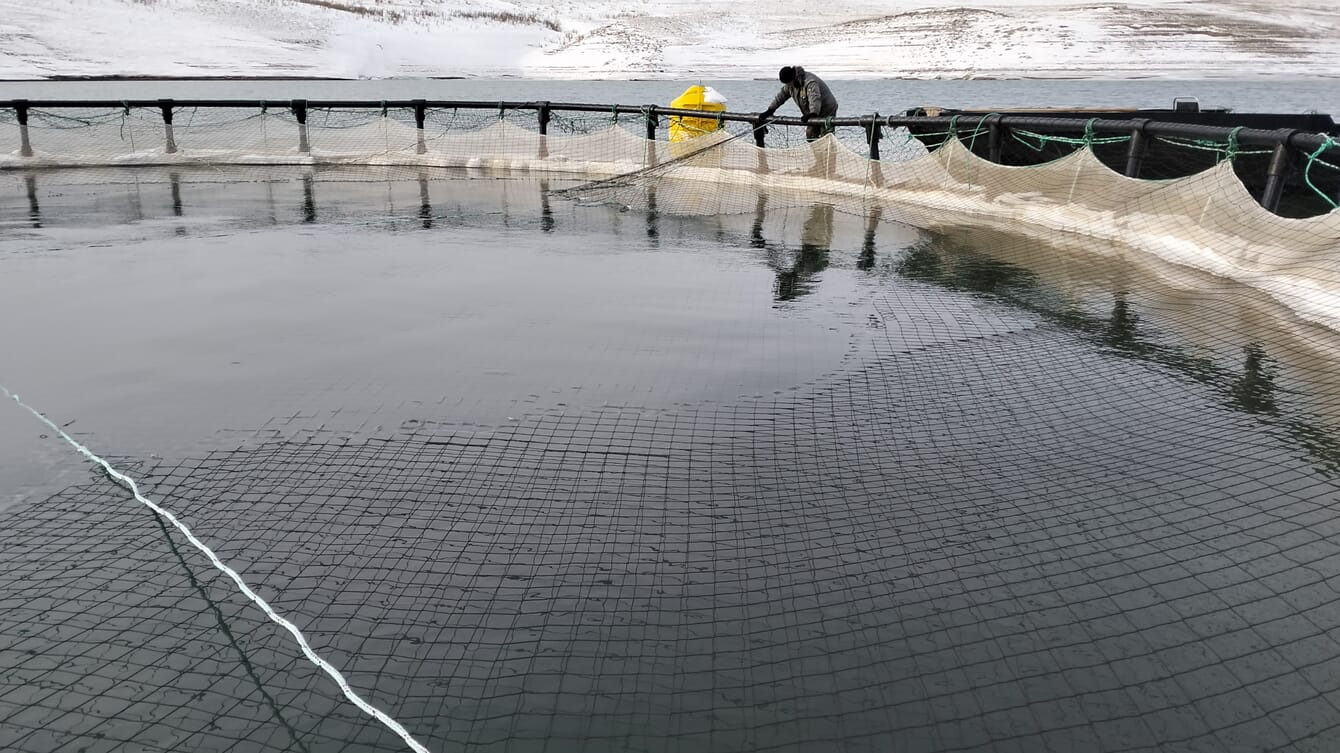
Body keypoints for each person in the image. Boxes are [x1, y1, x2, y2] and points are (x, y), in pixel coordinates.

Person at [760, 66, 839, 142]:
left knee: (826, 137)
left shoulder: (809, 82)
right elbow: (781, 96)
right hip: (811, 112)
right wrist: (770, 110)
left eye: (788, 83)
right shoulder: (790, 85)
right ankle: (818, 154)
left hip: (827, 109)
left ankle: (828, 155)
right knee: (810, 135)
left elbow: (814, 98)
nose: (787, 85)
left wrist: (813, 113)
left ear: (792, 78)